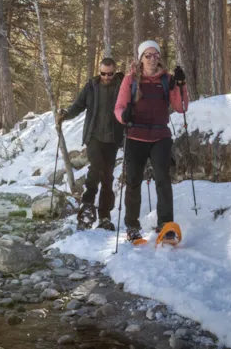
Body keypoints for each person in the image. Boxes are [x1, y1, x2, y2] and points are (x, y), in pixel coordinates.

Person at [114, 40, 188, 244]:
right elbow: (119, 108)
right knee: (133, 182)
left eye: (156, 55)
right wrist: (124, 116)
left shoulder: (167, 79)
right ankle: (132, 226)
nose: (152, 59)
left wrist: (181, 85)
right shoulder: (130, 80)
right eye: (148, 55)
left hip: (160, 136)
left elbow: (181, 107)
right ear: (141, 58)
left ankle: (166, 225)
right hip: (135, 136)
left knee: (163, 180)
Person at [57, 57, 125, 231]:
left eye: (110, 74)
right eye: (103, 73)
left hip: (113, 138)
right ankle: (87, 207)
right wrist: (66, 114)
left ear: (114, 72)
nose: (106, 77)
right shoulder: (91, 86)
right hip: (93, 137)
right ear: (99, 71)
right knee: (95, 169)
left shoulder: (122, 86)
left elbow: (130, 106)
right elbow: (78, 105)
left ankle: (104, 216)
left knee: (108, 177)